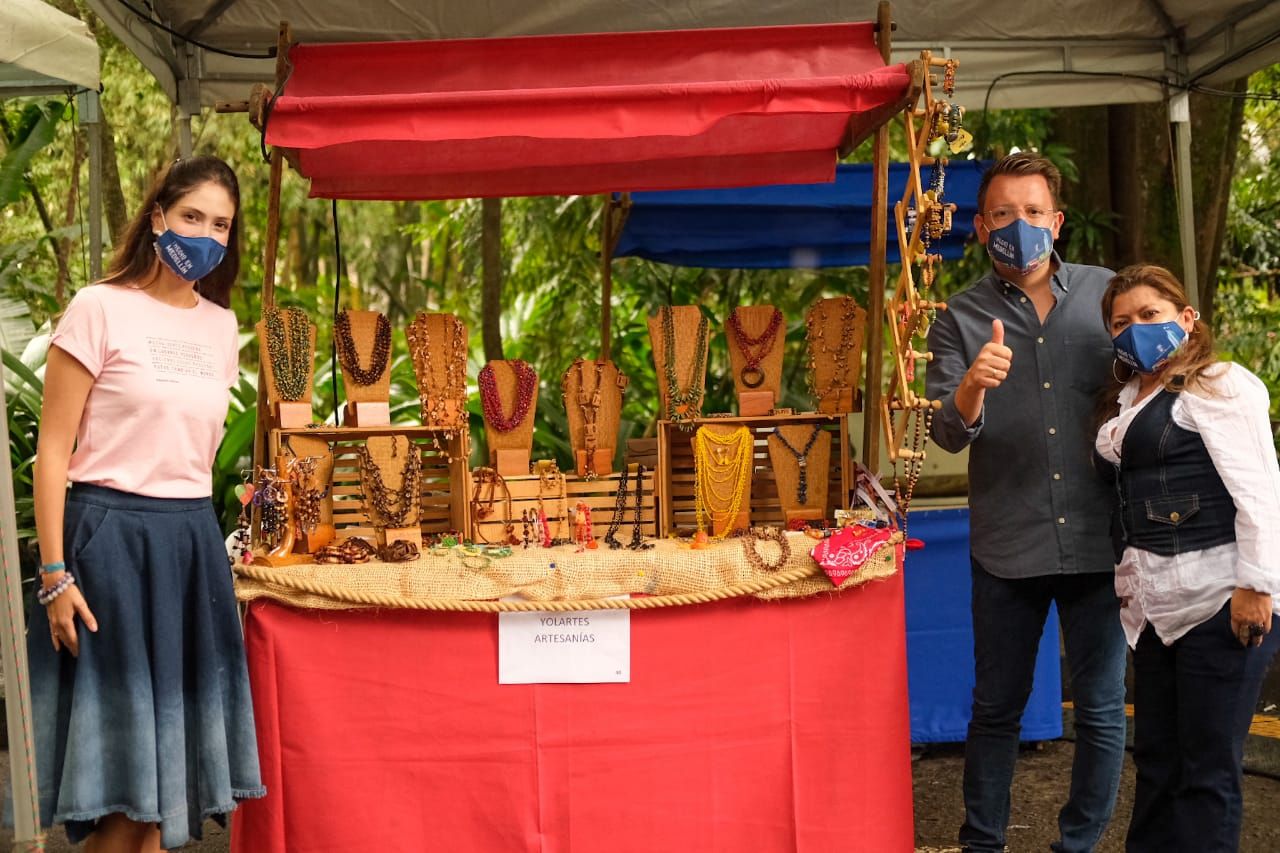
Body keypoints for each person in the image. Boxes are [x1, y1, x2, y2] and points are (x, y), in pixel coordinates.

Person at [27, 156, 264, 850]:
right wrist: (54, 574)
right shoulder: (99, 307)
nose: (205, 235)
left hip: (189, 545)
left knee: (163, 800)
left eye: (221, 225)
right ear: (158, 216)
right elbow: (53, 450)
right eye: (193, 216)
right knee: (127, 797)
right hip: (109, 547)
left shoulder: (222, 328)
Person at [925, 152, 1127, 853]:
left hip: (1102, 540)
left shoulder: (1108, 297)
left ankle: (1079, 844)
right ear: (980, 227)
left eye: (1035, 212)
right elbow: (945, 432)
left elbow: (1157, 388)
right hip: (1007, 546)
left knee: (1102, 711)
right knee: (995, 709)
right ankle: (983, 842)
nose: (1021, 225)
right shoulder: (958, 317)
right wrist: (973, 384)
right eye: (1005, 214)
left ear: (1058, 221)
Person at [1095, 264, 1280, 852]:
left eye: (1150, 314)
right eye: (1122, 322)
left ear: (1187, 318)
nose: (1136, 329)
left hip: (1218, 601)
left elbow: (1258, 490)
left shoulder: (1220, 383)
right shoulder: (1127, 399)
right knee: (1157, 764)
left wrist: (1255, 586)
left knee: (1206, 772)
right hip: (1153, 611)